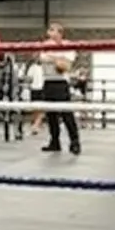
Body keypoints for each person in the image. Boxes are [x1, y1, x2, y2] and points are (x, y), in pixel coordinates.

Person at [38, 24, 80, 155]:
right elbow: (42, 59)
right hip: (48, 81)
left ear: (60, 33)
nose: (49, 32)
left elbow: (64, 67)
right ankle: (54, 142)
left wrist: (54, 59)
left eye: (52, 30)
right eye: (49, 29)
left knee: (67, 114)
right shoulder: (45, 45)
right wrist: (58, 59)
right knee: (51, 115)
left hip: (61, 83)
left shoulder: (68, 46)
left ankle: (75, 142)